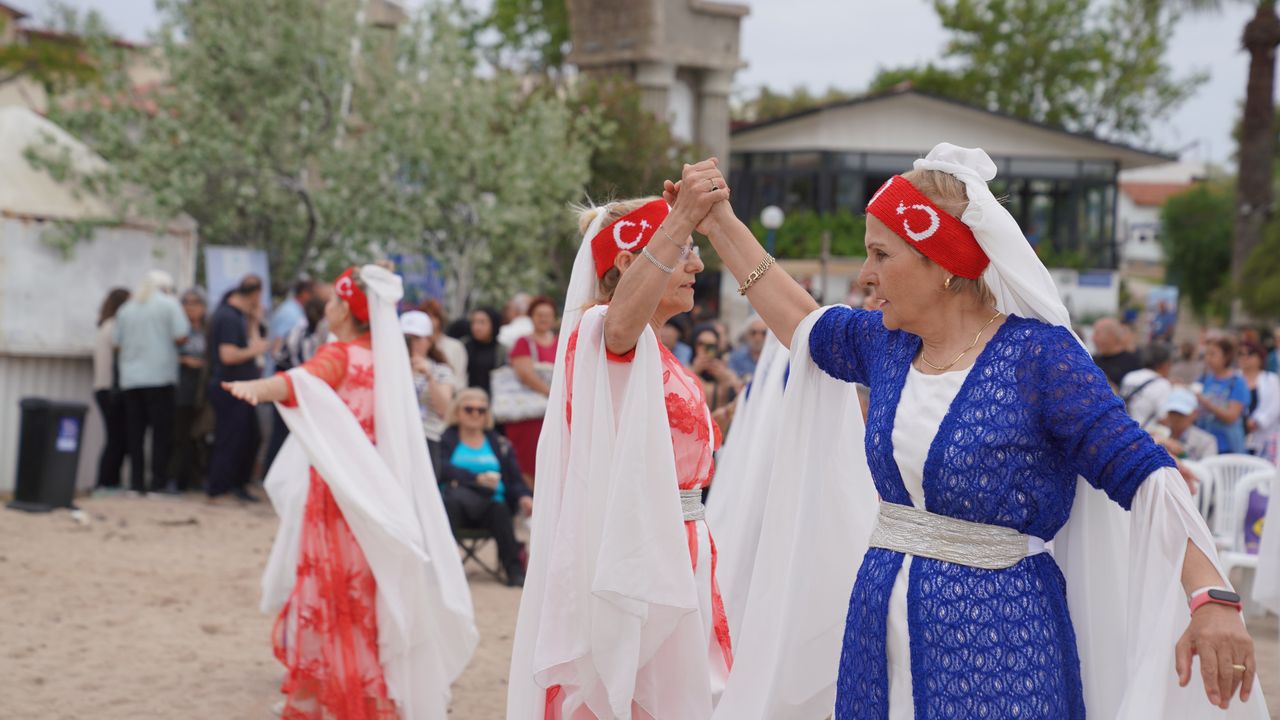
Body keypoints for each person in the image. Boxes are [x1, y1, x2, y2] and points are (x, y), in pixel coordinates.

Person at [682, 145, 1261, 717]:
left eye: (881, 254)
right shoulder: (889, 345)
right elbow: (802, 322)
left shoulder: (1040, 358)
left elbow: (1142, 471)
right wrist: (719, 222)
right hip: (878, 635)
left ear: (944, 266)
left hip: (1000, 644)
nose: (864, 276)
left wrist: (1209, 595)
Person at [509, 171, 734, 719]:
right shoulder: (602, 332)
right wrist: (681, 216)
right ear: (630, 262)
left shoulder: (656, 348)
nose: (697, 266)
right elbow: (618, 330)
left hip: (681, 547)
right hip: (636, 554)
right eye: (683, 251)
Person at [226, 265, 477, 719]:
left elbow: (300, 381)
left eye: (334, 301)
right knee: (365, 591)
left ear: (346, 310)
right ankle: (356, 688)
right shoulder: (387, 359)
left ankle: (340, 694)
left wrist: (257, 387)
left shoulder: (340, 353)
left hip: (338, 497)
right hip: (377, 493)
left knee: (333, 590)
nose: (327, 307)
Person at [438, 388, 533, 587]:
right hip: (456, 506)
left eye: (481, 410)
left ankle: (514, 571)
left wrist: (524, 497)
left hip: (491, 505)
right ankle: (446, 571)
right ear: (457, 411)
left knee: (500, 510)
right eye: (469, 409)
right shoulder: (446, 439)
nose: (475, 414)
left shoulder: (499, 442)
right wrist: (476, 478)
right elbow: (441, 469)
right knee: (449, 504)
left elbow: (514, 479)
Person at [113, 270, 191, 495]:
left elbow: (116, 344)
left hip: (131, 379)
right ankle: (158, 483)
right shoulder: (170, 305)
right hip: (160, 377)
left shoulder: (126, 309)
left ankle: (136, 483)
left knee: (135, 433)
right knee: (161, 434)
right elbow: (181, 336)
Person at [206, 275, 269, 503]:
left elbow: (251, 342)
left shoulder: (238, 317)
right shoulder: (228, 317)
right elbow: (228, 355)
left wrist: (254, 320)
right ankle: (219, 488)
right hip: (230, 388)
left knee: (249, 437)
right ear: (255, 294)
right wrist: (257, 350)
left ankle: (236, 485)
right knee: (230, 438)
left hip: (241, 387)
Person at [505, 296, 557, 488]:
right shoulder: (523, 342)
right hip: (528, 416)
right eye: (539, 315)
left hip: (552, 413)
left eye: (548, 315)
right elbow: (525, 374)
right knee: (527, 461)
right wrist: (552, 393)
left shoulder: (560, 341)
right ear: (531, 317)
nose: (543, 319)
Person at [264, 279, 316, 468]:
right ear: (305, 293)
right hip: (284, 379)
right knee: (281, 433)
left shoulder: (294, 311)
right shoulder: (291, 313)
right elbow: (277, 347)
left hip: (287, 379)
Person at [401, 310, 457, 471]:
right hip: (397, 435)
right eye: (407, 338)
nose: (412, 343)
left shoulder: (440, 370)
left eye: (417, 338)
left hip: (427, 437)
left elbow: (444, 410)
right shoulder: (389, 367)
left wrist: (429, 377)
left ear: (429, 341)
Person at [92, 287, 131, 493]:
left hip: (103, 388)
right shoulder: (115, 327)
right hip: (111, 389)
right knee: (117, 439)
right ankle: (106, 482)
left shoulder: (105, 325)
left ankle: (109, 481)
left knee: (116, 438)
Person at [172, 288, 209, 492]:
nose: (191, 307)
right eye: (186, 302)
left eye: (196, 303)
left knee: (200, 435)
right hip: (181, 388)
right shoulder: (178, 328)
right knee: (180, 435)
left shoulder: (207, 330)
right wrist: (184, 360)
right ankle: (178, 479)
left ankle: (198, 477)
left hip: (202, 389)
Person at [1195, 336, 1250, 455]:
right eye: (1207, 354)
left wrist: (1207, 404)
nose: (1208, 358)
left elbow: (1231, 416)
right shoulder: (1205, 378)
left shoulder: (1237, 382)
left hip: (1227, 446)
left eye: (1213, 354)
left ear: (1226, 356)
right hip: (1205, 443)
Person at [1239, 340, 1280, 463]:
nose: (1245, 357)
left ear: (1260, 357)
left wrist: (1257, 421)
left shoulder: (1270, 379)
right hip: (1239, 432)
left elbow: (1275, 405)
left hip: (1262, 434)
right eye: (1241, 354)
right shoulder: (1235, 378)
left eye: (1250, 354)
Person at [1156, 388, 1220, 463]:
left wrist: (1181, 455)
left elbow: (1208, 468)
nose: (1176, 418)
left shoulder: (1207, 442)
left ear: (1195, 413)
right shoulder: (1157, 435)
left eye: (1181, 414)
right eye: (1173, 413)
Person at [1119, 342, 1173, 429]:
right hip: (1143, 433)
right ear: (1164, 364)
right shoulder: (1162, 384)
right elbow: (1164, 418)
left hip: (1123, 429)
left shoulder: (1129, 376)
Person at [690, 324, 742, 412]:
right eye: (701, 344)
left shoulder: (725, 371)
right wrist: (693, 371)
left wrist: (725, 380)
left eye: (711, 345)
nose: (705, 349)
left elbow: (740, 397)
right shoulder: (683, 370)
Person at [420, 299, 468, 384]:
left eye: (432, 316)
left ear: (440, 319)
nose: (429, 320)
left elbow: (460, 379)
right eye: (425, 316)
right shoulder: (415, 345)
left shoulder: (455, 346)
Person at [1090, 316, 1142, 388]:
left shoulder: (1133, 363)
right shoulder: (1091, 362)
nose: (1093, 339)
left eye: (1097, 334)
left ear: (1111, 335)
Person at [464, 307, 505, 396]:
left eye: (482, 322)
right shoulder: (463, 346)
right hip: (466, 396)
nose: (476, 327)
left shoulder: (502, 351)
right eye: (474, 322)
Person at [727, 316, 768, 380]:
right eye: (753, 333)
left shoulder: (774, 359)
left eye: (763, 333)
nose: (758, 338)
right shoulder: (736, 357)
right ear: (746, 335)